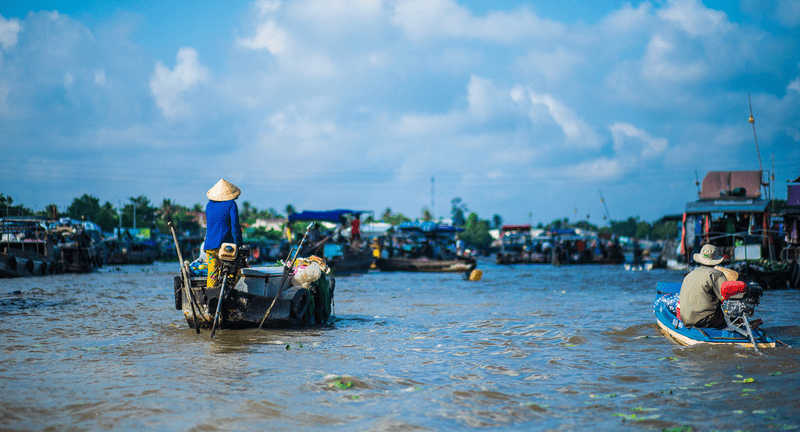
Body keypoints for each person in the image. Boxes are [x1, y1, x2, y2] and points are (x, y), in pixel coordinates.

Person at [678, 244, 747, 329]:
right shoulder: (716, 274)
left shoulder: (689, 275)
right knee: (733, 312)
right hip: (706, 320)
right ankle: (743, 330)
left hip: (686, 319)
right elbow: (725, 297)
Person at [204, 179, 243, 288]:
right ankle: (231, 293)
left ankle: (210, 297)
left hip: (210, 247)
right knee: (235, 273)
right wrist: (238, 243)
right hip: (226, 248)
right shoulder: (231, 204)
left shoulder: (209, 205)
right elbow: (235, 226)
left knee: (212, 275)